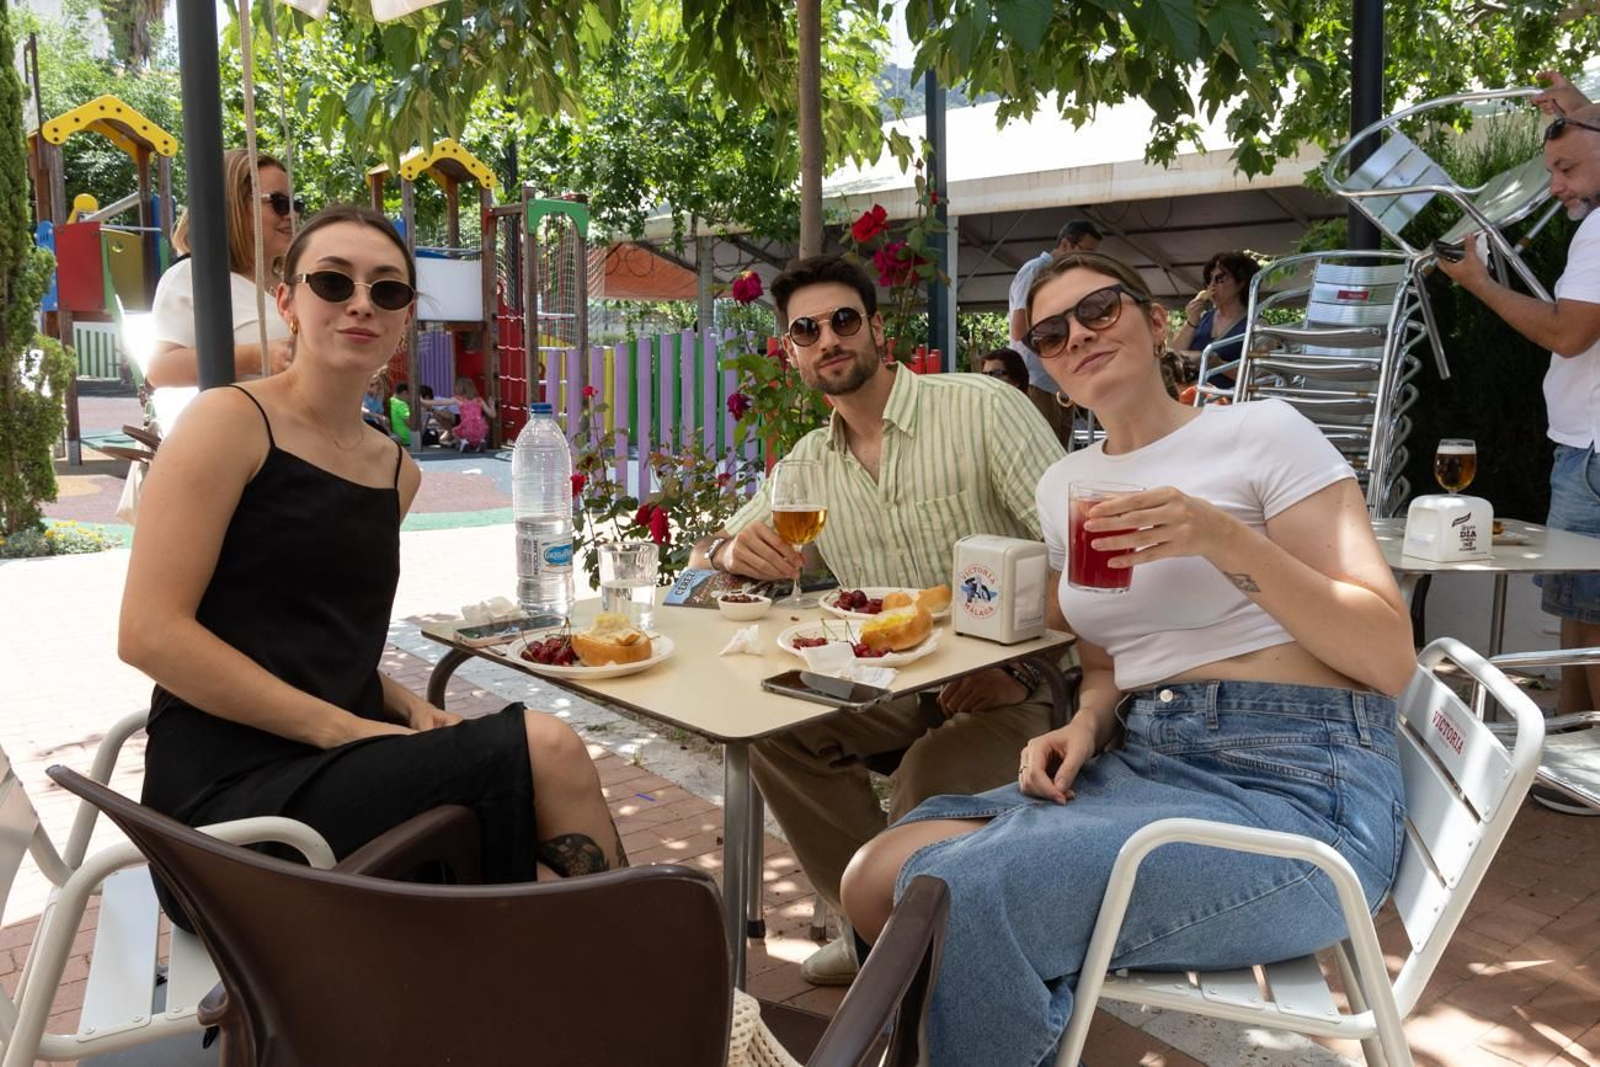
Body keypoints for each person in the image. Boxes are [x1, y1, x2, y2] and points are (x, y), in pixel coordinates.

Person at [840, 251, 1414, 1065]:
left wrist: (1218, 536)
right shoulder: (1067, 484)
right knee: (873, 876)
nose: (1078, 335)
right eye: (1051, 331)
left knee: (968, 896)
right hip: (1145, 760)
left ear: (1152, 320)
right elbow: (1110, 665)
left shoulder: (1261, 432)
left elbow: (1390, 655)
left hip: (1295, 788)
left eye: (1100, 309)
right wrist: (1082, 722)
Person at [120, 205, 626, 929]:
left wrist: (398, 701)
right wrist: (341, 727)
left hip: (339, 773)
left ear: (404, 316)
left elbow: (314, 631)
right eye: (334, 281)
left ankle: (597, 992)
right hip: (227, 809)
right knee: (545, 748)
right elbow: (148, 634)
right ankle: (651, 980)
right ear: (288, 302)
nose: (362, 302)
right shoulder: (228, 423)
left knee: (539, 868)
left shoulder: (395, 470)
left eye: (387, 290)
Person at [688, 254, 1066, 985]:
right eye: (806, 329)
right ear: (790, 352)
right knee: (775, 734)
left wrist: (1021, 669)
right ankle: (884, 930)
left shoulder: (981, 408)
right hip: (890, 682)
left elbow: (1075, 550)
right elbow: (704, 559)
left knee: (928, 771)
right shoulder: (805, 466)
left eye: (843, 320)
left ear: (876, 329)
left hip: (1022, 678)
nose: (827, 338)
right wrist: (732, 545)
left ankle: (906, 950)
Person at [1437, 101, 1600, 734]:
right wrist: (1578, 105)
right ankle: (1569, 745)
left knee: (1589, 618)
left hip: (1590, 451)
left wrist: (1476, 281)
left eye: (1566, 167)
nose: (1555, 185)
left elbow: (1568, 334)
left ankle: (1581, 760)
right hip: (1583, 446)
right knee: (1579, 609)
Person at [146, 150, 299, 432]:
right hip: (234, 445)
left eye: (295, 204)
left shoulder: (286, 282)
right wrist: (256, 355)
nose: (291, 214)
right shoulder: (192, 276)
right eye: (279, 203)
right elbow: (160, 369)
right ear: (234, 206)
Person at [1009, 220, 1103, 446]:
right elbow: (1018, 329)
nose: (1088, 260)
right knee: (1041, 454)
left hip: (1057, 380)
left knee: (1058, 453)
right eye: (1086, 251)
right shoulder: (1034, 270)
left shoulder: (1063, 277)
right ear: (1066, 244)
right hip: (1037, 379)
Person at [1173, 251, 1261, 385]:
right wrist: (1191, 321)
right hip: (1191, 399)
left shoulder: (1257, 325)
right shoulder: (1202, 319)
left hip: (1230, 402)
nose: (1211, 286)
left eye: (1220, 279)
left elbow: (1262, 379)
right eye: (1209, 280)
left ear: (1242, 283)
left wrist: (1217, 363)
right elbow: (1173, 358)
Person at [451, 375, 494, 452]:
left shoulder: (458, 399)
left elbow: (439, 403)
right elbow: (492, 415)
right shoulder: (479, 400)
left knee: (454, 431)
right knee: (477, 434)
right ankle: (481, 441)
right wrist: (492, 405)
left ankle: (464, 442)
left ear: (460, 388)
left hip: (466, 427)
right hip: (481, 427)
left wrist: (423, 401)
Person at [389, 381, 413, 447]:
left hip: (395, 436)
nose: (411, 398)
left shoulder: (389, 401)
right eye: (411, 395)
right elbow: (409, 422)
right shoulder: (402, 404)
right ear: (404, 393)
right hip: (407, 439)